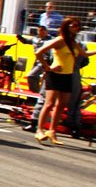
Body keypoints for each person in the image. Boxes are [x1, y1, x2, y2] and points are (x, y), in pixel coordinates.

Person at [33, 17, 82, 145]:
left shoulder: (74, 42)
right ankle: (39, 130)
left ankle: (52, 131)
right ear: (67, 27)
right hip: (55, 74)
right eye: (75, 25)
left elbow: (85, 54)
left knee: (62, 105)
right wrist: (47, 67)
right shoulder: (60, 40)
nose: (77, 28)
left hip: (68, 75)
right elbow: (39, 52)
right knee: (49, 104)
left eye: (78, 26)